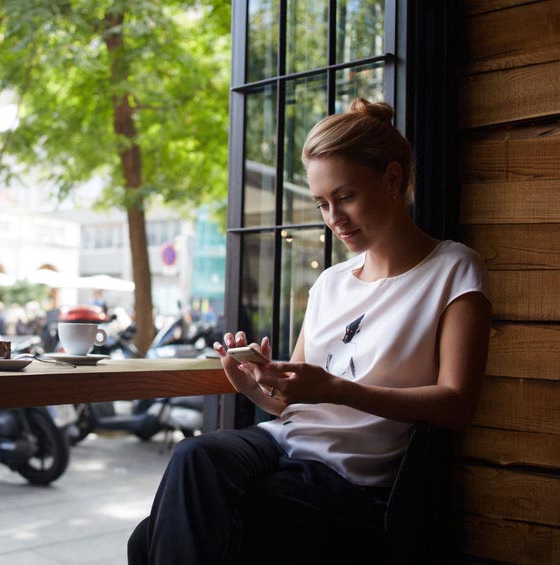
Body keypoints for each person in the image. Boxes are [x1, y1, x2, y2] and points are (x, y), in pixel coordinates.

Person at [127, 99, 492, 563]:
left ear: (393, 179)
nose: (333, 217)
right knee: (193, 457)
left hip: (354, 478)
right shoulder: (330, 282)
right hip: (282, 446)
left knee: (152, 538)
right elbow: (292, 403)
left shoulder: (452, 269)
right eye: (322, 203)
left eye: (346, 197)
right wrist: (254, 386)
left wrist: (338, 389)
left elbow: (458, 404)